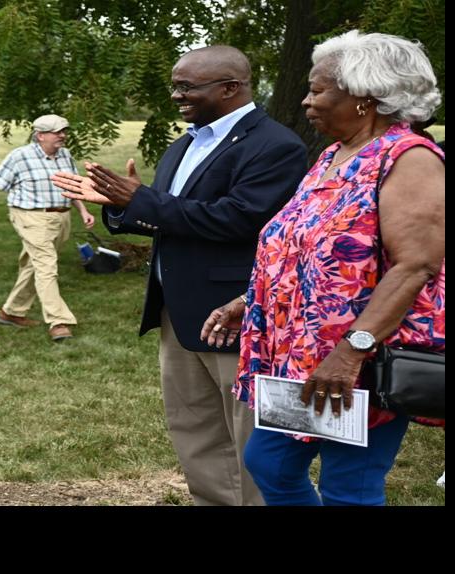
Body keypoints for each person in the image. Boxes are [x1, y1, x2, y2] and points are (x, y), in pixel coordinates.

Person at [52, 46, 307, 506]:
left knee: (249, 434)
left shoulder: (276, 145)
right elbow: (174, 217)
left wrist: (141, 200)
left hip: (237, 314)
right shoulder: (185, 144)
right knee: (195, 429)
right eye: (176, 85)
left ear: (231, 88)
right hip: (178, 312)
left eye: (187, 86)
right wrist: (121, 206)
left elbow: (238, 219)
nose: (176, 95)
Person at [199, 31, 445, 506]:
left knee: (349, 487)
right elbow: (309, 251)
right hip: (303, 356)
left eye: (319, 90)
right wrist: (251, 301)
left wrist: (351, 353)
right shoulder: (334, 156)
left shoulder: (409, 159)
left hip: (360, 361)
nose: (306, 99)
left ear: (364, 99)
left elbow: (416, 267)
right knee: (269, 463)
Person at [0, 114, 95, 342]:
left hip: (61, 217)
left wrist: (83, 210)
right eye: (57, 132)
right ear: (40, 136)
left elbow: (73, 186)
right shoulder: (20, 156)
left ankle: (11, 312)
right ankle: (58, 321)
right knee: (47, 265)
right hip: (30, 217)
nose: (62, 136)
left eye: (64, 131)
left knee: (34, 265)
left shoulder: (65, 155)